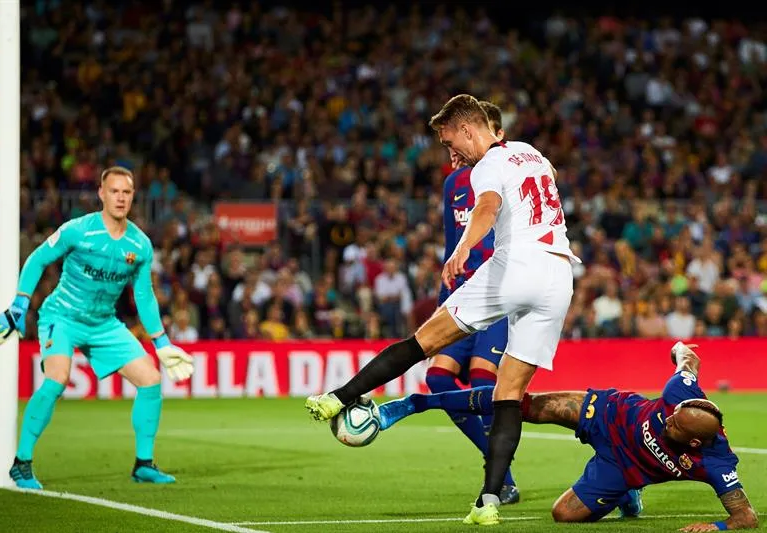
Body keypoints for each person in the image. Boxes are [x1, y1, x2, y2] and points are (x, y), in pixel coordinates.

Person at [306, 94, 580, 525]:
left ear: (469, 129)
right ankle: (489, 501)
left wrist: (464, 247)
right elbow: (547, 176)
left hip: (517, 266)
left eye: (451, 141)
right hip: (560, 275)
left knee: (423, 342)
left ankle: (337, 397)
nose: (451, 152)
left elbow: (487, 207)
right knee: (507, 395)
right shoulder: (529, 152)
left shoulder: (487, 163)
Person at [377, 343, 759, 531]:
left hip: (622, 467)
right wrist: (680, 350)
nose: (666, 422)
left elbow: (746, 516)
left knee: (564, 515)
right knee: (521, 404)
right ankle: (418, 403)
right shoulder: (682, 397)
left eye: (673, 427)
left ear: (694, 443)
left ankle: (628, 495)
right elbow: (688, 359)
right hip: (609, 413)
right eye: (669, 416)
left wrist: (718, 527)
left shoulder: (716, 463)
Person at [0, 166, 194, 489]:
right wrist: (20, 303)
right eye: (114, 191)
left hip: (103, 324)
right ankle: (22, 463)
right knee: (57, 379)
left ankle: (144, 464)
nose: (120, 198)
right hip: (63, 317)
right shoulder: (79, 230)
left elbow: (144, 295)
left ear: (133, 197)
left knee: (151, 380)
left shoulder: (139, 245)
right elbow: (37, 259)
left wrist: (163, 343)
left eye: (126, 193)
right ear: (101, 194)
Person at [433, 100, 517, 504]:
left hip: (498, 295)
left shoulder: (509, 171)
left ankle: (498, 478)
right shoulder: (452, 186)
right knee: (437, 379)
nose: (454, 154)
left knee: (485, 380)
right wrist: (442, 297)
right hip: (459, 295)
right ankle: (501, 469)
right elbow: (452, 241)